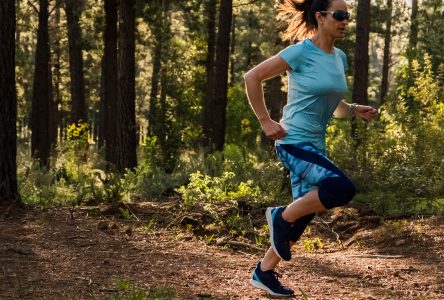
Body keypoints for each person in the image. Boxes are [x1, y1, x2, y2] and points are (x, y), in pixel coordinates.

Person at [244, 0, 378, 296]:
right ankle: (279, 216)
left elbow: (332, 104)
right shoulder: (301, 51)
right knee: (341, 188)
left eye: (347, 16)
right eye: (339, 15)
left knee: (302, 216)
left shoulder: (339, 57)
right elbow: (252, 77)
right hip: (292, 141)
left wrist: (354, 109)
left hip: (315, 146)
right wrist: (266, 121)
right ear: (320, 16)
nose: (345, 21)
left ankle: (264, 272)